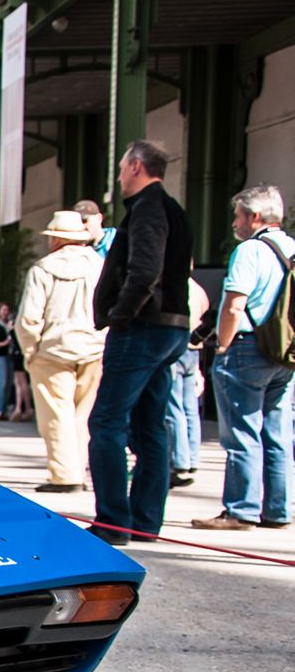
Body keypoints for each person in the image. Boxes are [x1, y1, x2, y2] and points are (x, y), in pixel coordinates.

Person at [87, 140, 193, 546]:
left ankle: (113, 521)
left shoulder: (148, 209)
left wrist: (120, 314)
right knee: (151, 425)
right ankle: (145, 521)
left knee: (107, 422)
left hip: (143, 328)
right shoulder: (174, 209)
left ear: (134, 166)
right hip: (170, 328)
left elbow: (145, 269)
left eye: (120, 168)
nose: (118, 176)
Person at [193, 185, 293, 531]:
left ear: (254, 217)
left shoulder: (250, 250)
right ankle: (278, 510)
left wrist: (222, 344)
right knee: (278, 432)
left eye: (237, 216)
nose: (235, 223)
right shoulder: (291, 248)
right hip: (283, 352)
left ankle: (241, 510)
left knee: (242, 432)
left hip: (248, 347)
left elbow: (235, 304)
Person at [16, 211, 107, 492]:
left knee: (56, 415)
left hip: (53, 349)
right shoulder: (100, 264)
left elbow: (28, 318)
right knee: (82, 415)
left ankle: (65, 475)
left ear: (55, 239)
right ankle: (80, 469)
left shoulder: (43, 269)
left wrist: (30, 350)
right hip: (94, 347)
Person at [167, 279, 210, 489]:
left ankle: (179, 460)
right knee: (189, 406)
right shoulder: (198, 289)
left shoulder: (172, 285)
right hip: (194, 349)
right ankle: (192, 458)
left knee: (173, 408)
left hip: (176, 345)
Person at [0, 301, 18, 416]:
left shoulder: (9, 325)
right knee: (2, 382)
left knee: (9, 383)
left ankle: (6, 407)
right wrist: (5, 343)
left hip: (10, 356)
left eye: (7, 310)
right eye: (3, 310)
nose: (5, 313)